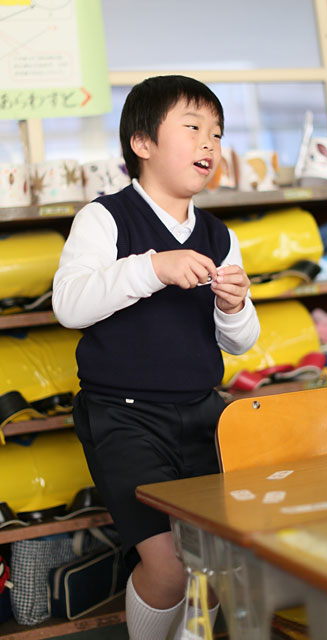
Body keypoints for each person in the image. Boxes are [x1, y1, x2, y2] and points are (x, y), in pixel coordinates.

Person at [52, 75, 260, 640]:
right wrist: (152, 267)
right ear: (142, 142)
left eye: (216, 132)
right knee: (168, 569)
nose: (209, 142)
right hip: (124, 418)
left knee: (217, 562)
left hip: (203, 413)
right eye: (192, 127)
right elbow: (69, 304)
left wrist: (234, 306)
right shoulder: (105, 217)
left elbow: (240, 341)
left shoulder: (218, 234)